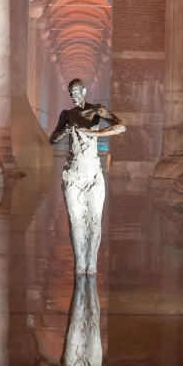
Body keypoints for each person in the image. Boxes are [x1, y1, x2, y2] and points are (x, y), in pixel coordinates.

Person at [48, 78, 125, 275]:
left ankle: (91, 264)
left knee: (94, 221)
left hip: (93, 175)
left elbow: (120, 126)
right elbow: (52, 139)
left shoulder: (96, 110)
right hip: (73, 175)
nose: (73, 95)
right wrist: (65, 131)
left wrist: (96, 134)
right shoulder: (67, 114)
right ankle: (80, 263)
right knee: (76, 221)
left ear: (84, 90)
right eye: (70, 93)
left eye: (76, 91)